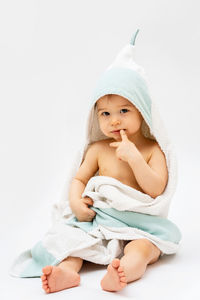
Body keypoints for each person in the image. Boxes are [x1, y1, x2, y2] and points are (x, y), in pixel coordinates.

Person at [40, 93, 168, 293]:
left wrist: (135, 158)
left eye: (124, 111)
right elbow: (79, 179)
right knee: (75, 242)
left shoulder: (152, 150)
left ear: (142, 112)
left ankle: (123, 271)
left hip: (141, 225)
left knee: (142, 249)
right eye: (105, 114)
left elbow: (156, 189)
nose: (114, 120)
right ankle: (67, 271)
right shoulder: (98, 149)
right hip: (102, 222)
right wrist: (75, 202)